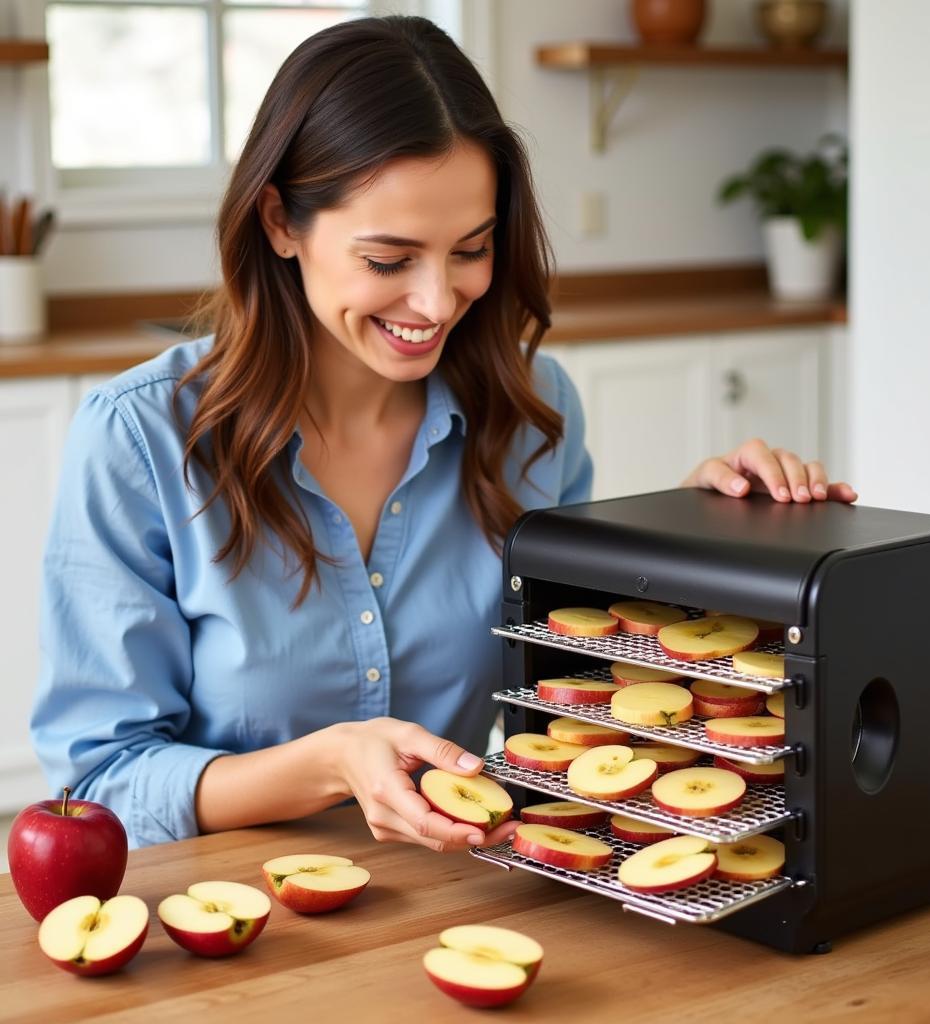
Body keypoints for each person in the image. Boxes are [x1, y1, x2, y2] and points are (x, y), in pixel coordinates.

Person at [30, 16, 856, 853]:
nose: (435, 304)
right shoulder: (142, 438)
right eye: (389, 261)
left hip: (459, 893)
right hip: (236, 928)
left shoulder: (534, 411)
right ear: (281, 221)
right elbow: (99, 781)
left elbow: (572, 699)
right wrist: (331, 764)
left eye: (472, 249)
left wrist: (708, 539)